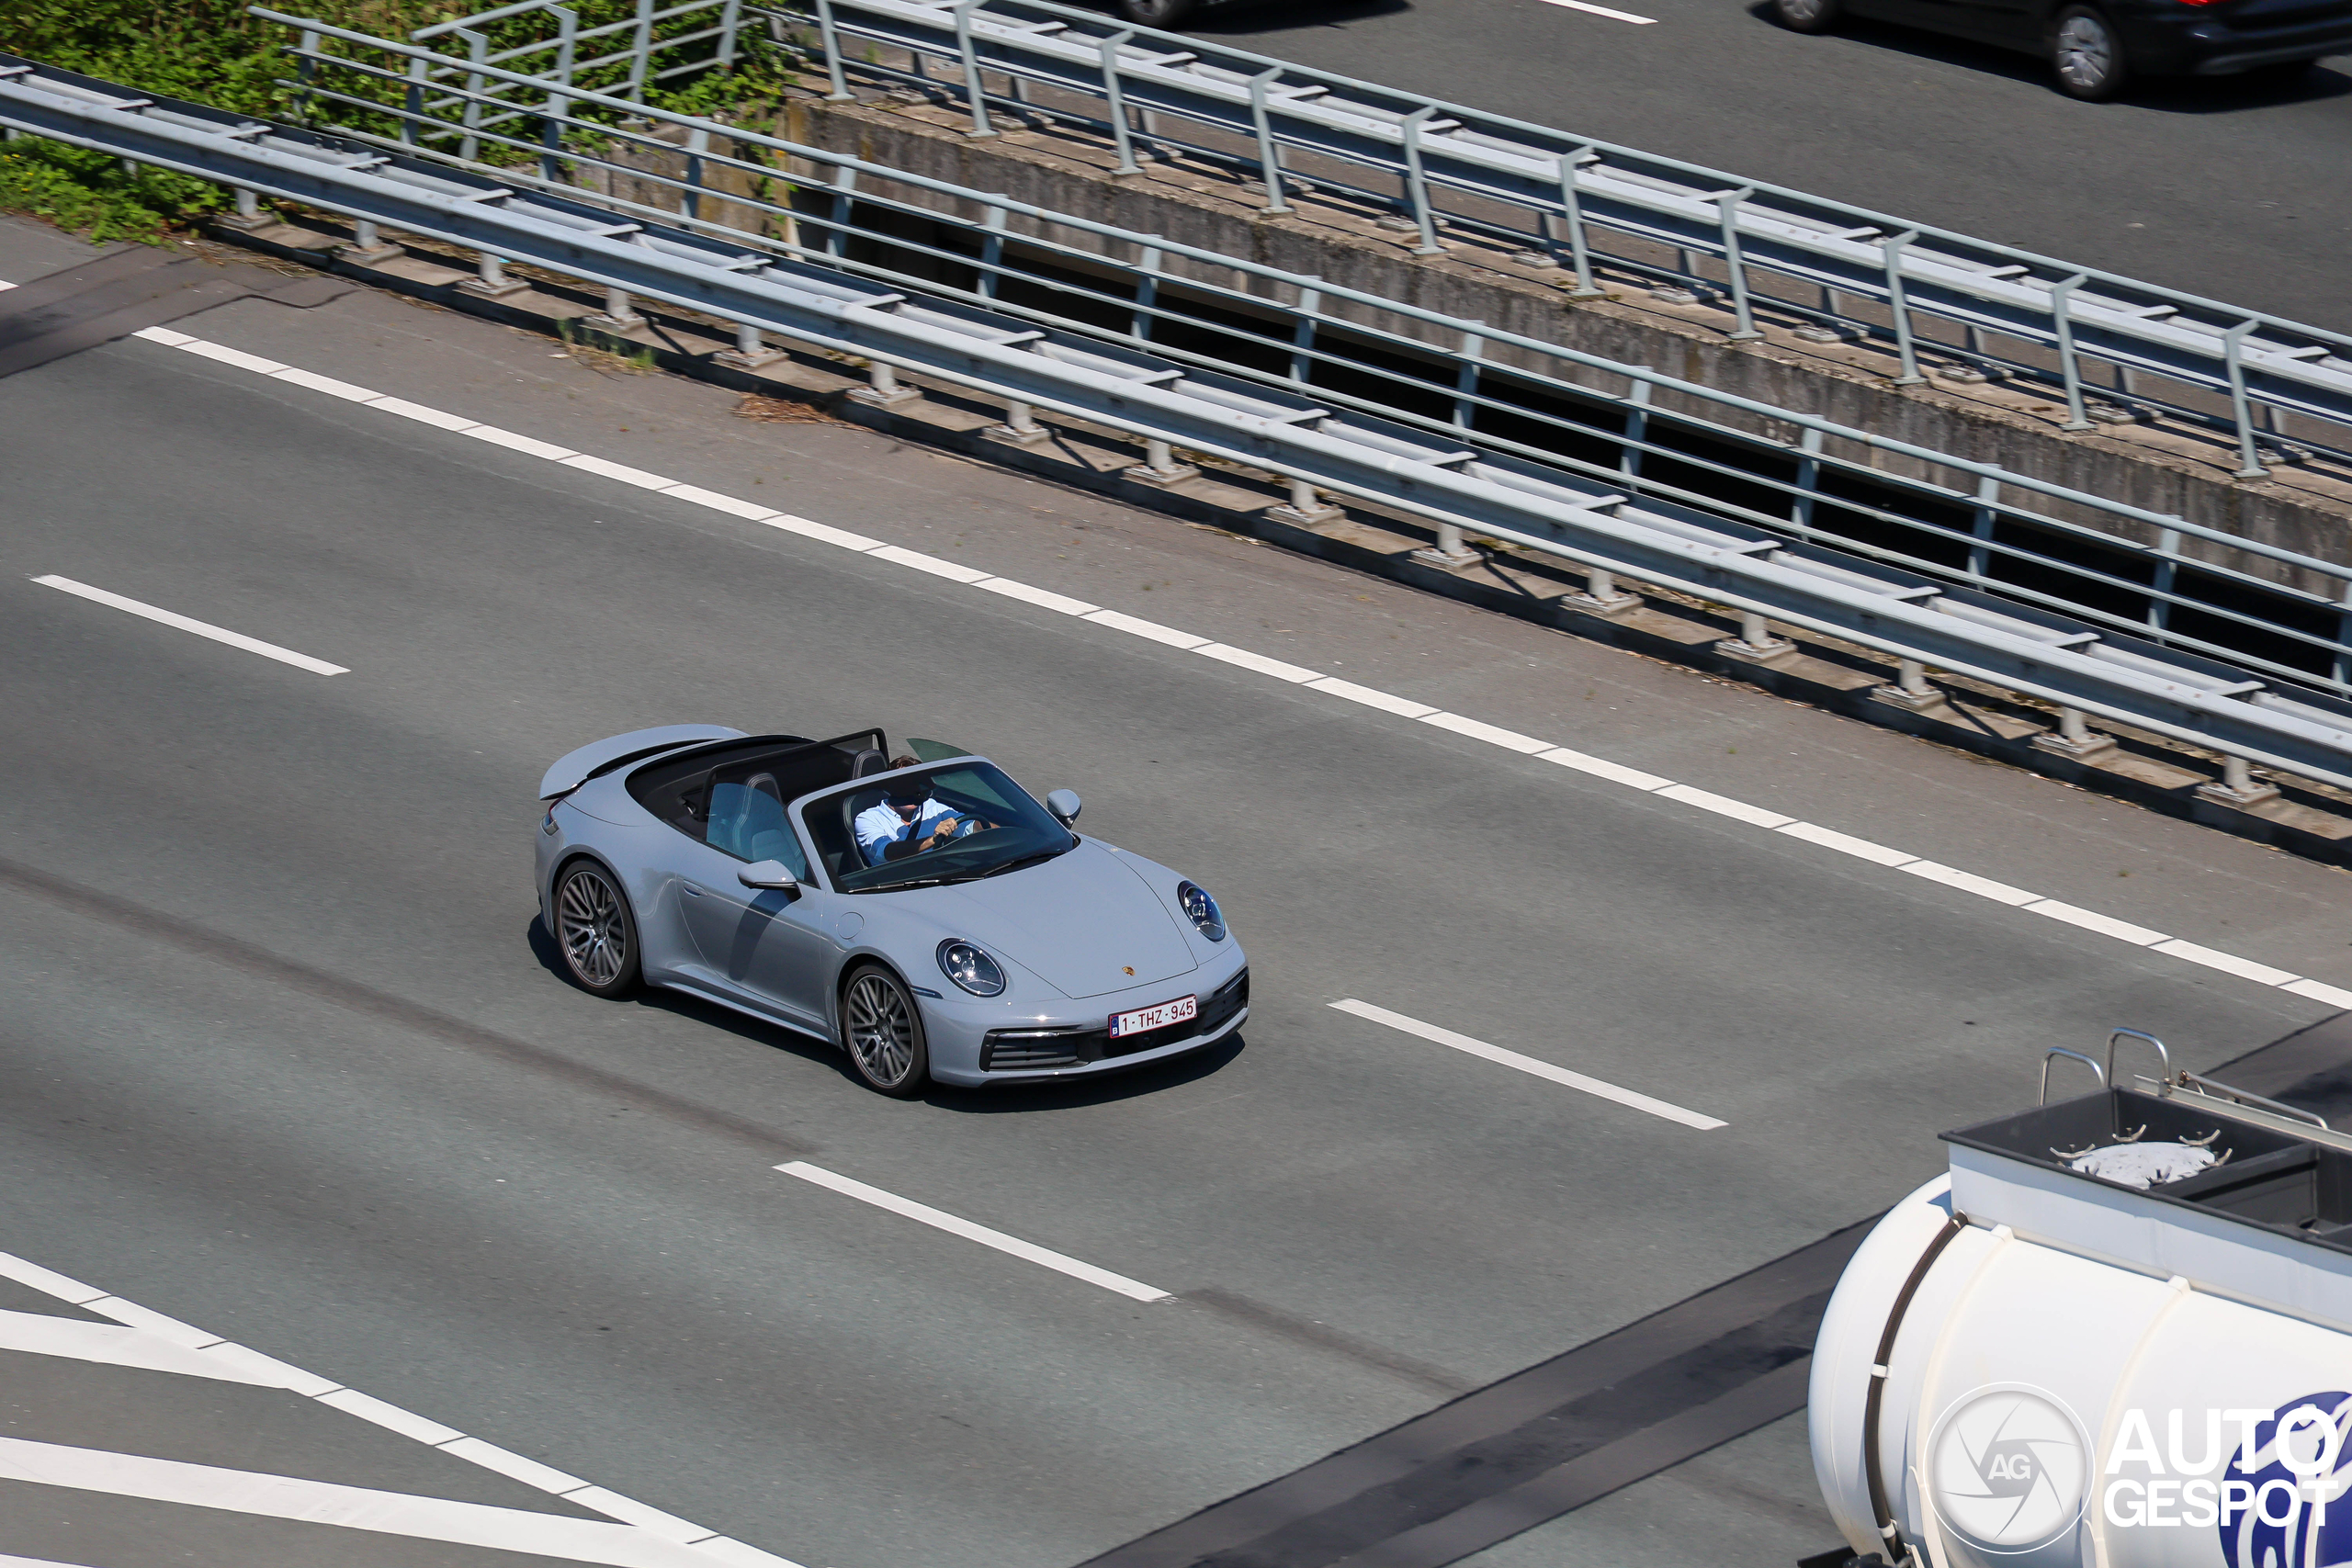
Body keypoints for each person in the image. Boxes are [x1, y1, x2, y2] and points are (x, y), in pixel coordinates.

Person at [854, 760, 975, 865]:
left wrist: (989, 826)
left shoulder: (932, 807)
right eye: (905, 785)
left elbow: (971, 827)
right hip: (894, 884)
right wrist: (933, 839)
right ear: (891, 787)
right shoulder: (867, 818)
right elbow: (887, 852)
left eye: (917, 783)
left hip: (937, 876)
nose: (913, 790)